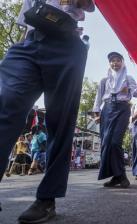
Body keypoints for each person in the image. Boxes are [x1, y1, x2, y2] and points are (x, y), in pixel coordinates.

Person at [0, 0, 95, 222]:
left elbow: (90, 5)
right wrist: (26, 43)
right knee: (6, 106)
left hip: (66, 41)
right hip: (30, 41)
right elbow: (26, 15)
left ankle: (47, 199)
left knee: (60, 121)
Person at [93, 51, 137, 188]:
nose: (115, 63)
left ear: (123, 62)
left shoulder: (129, 78)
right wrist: (96, 114)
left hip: (123, 110)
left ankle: (121, 176)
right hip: (107, 110)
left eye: (118, 60)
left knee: (115, 142)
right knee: (106, 143)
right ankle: (117, 177)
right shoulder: (104, 80)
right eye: (112, 60)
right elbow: (98, 99)